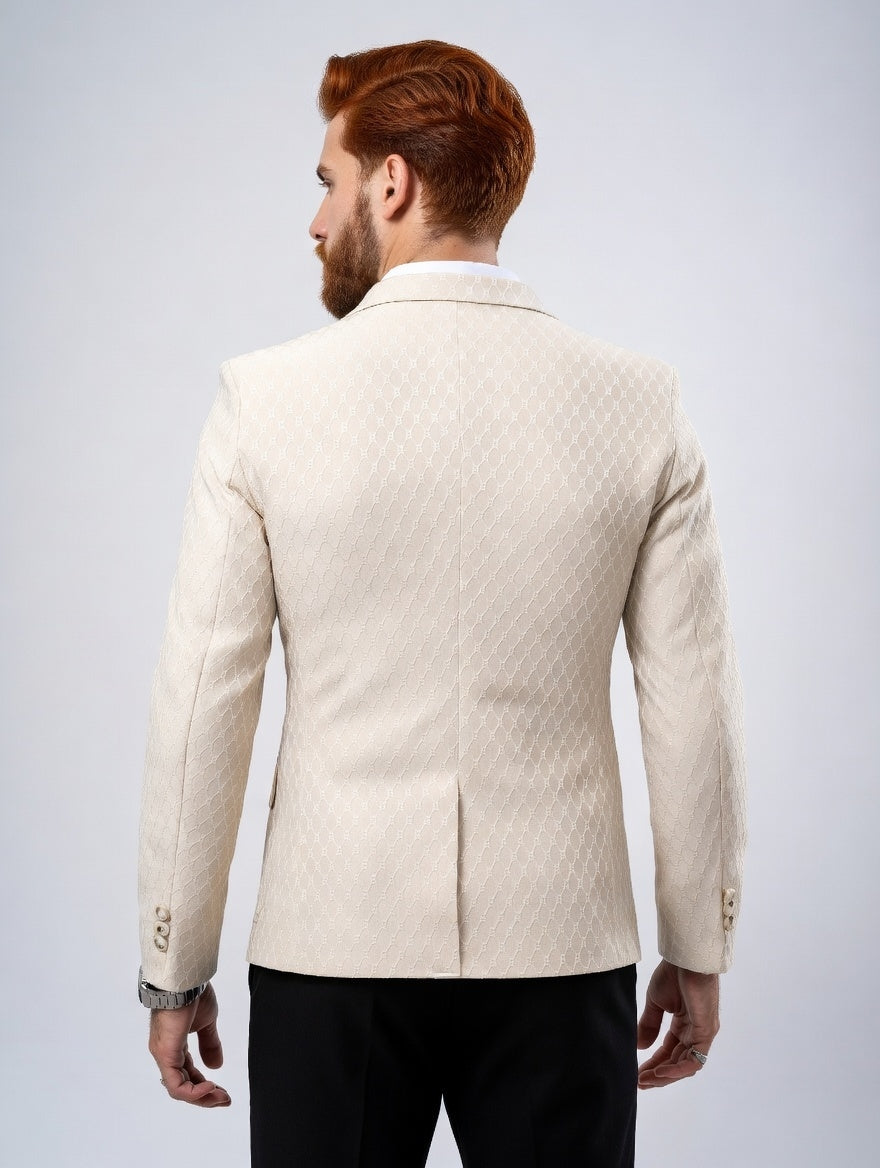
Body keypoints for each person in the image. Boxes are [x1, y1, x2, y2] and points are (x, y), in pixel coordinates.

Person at [137, 38, 747, 1167]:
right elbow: (693, 708)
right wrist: (697, 944)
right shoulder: (640, 404)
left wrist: (173, 966)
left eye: (327, 182)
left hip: (331, 949)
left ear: (392, 183)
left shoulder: (264, 401)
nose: (315, 220)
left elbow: (203, 705)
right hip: (563, 951)